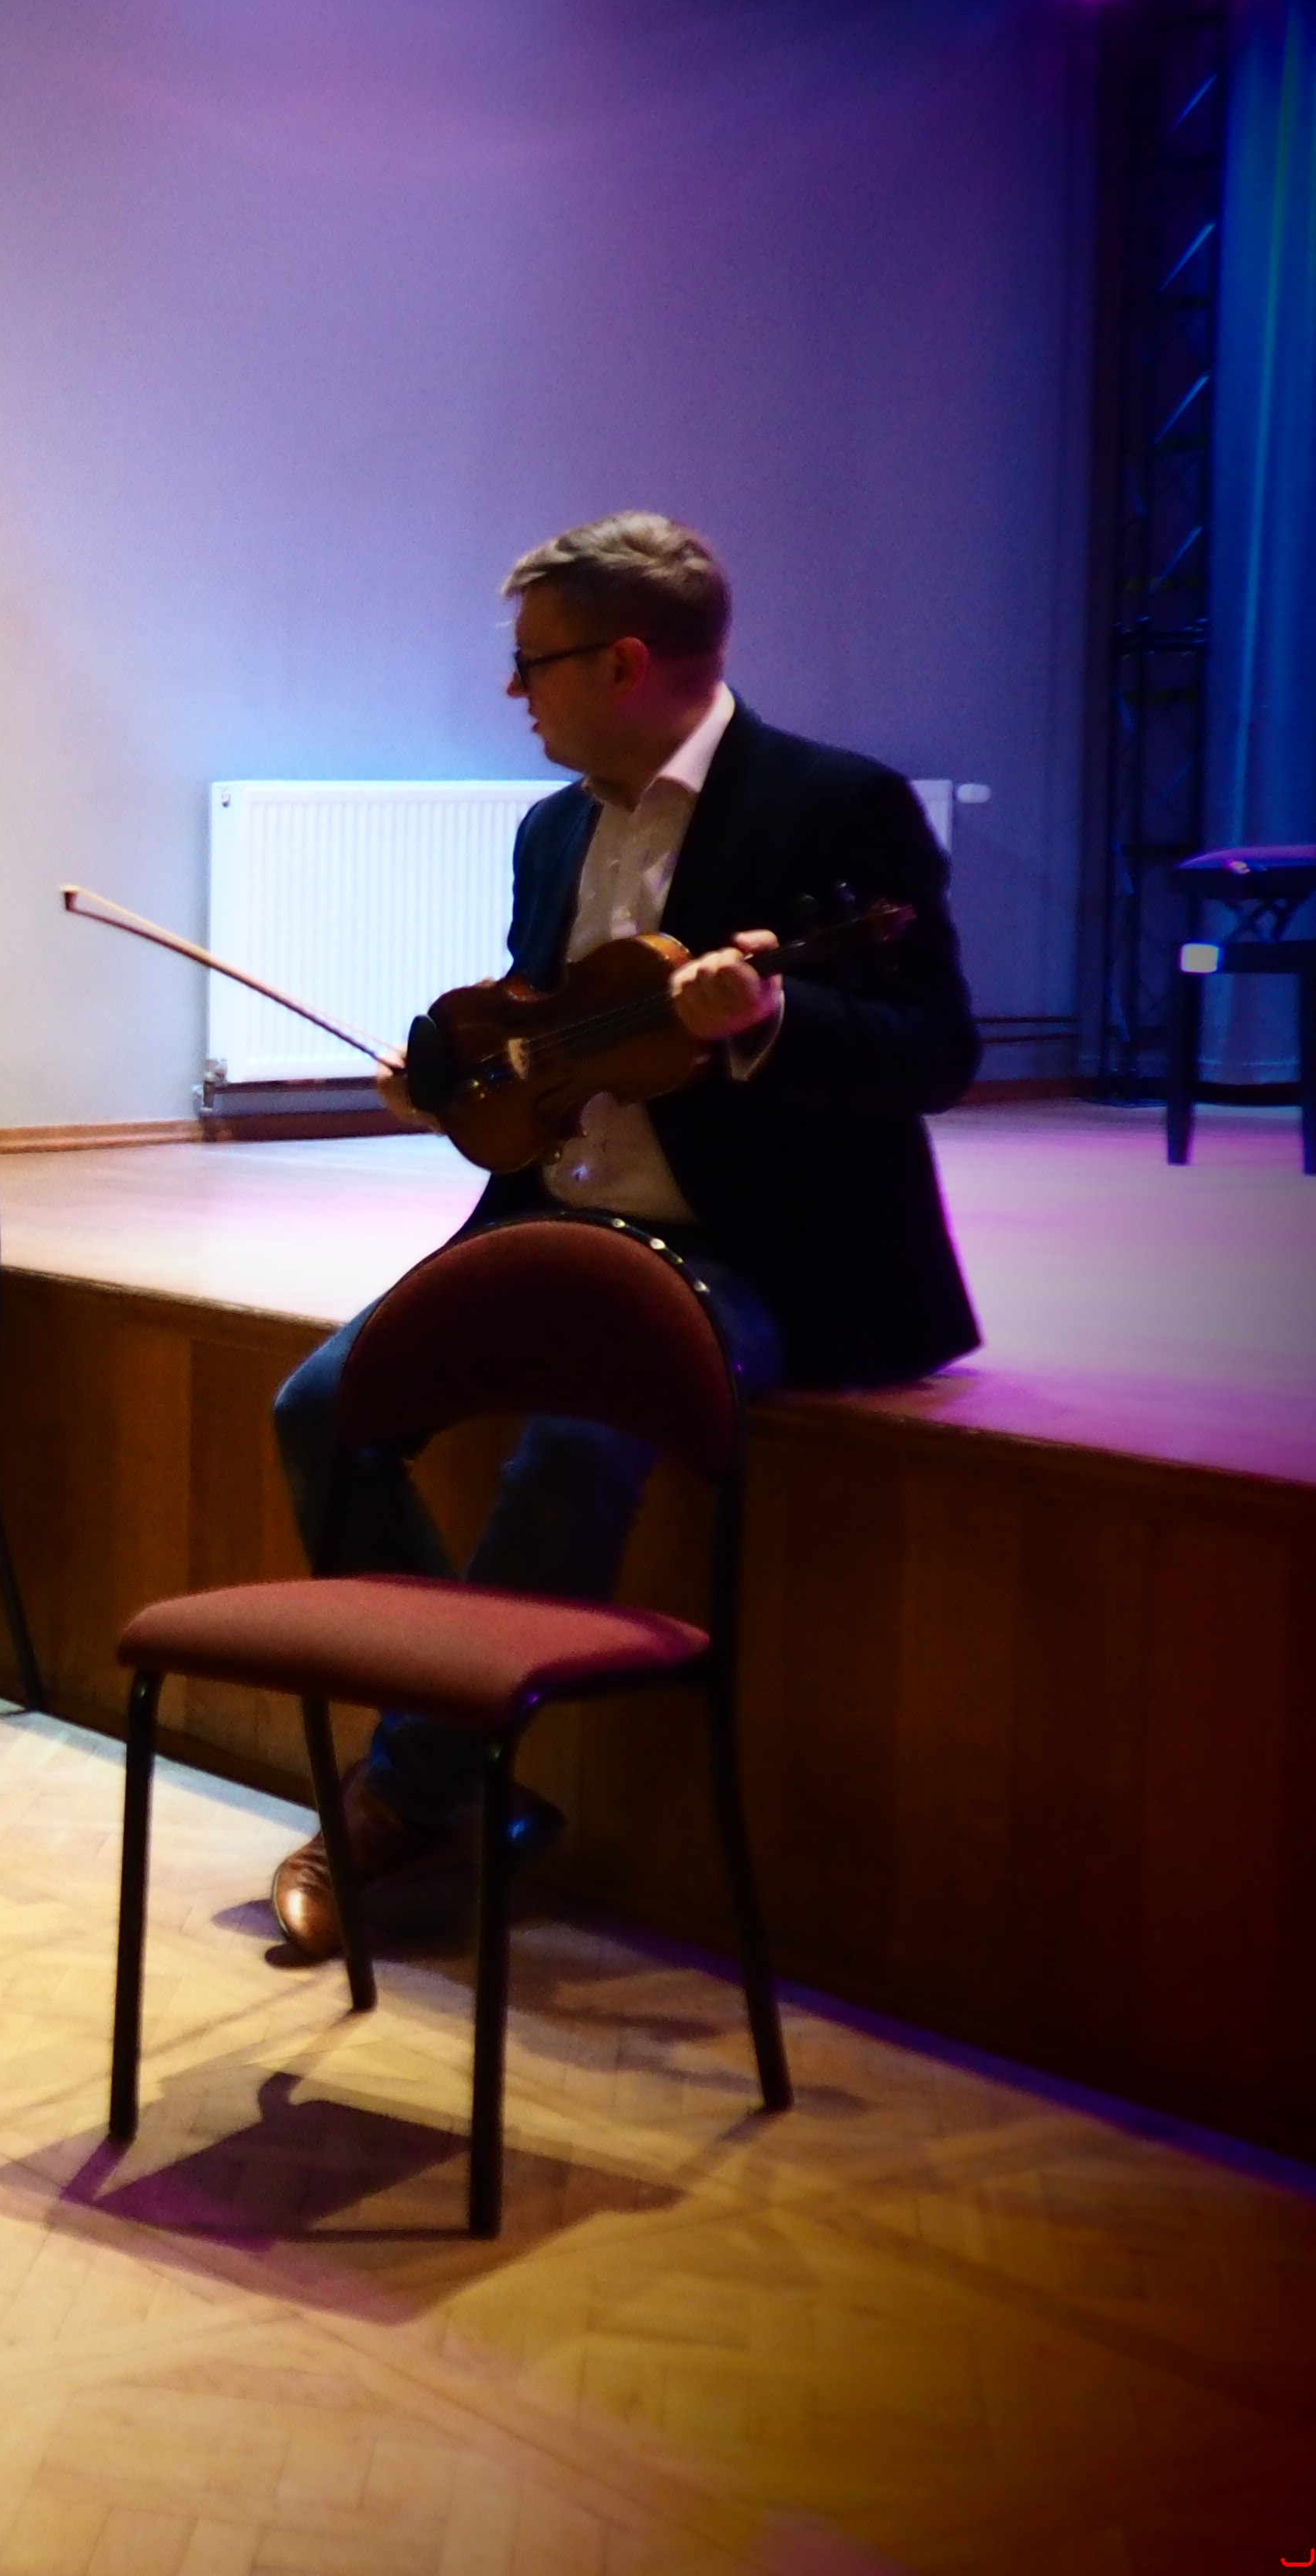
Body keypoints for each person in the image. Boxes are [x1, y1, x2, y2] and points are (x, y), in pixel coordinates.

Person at [265, 513, 981, 1956]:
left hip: (754, 1250)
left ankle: (405, 1794)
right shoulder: (553, 828)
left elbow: (936, 1050)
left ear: (624, 661)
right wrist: (454, 1081)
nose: (512, 692)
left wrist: (772, 1021)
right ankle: (467, 1771)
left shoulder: (832, 805)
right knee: (323, 1405)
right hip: (557, 1220)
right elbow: (544, 1034)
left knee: (580, 1433)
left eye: (531, 664)